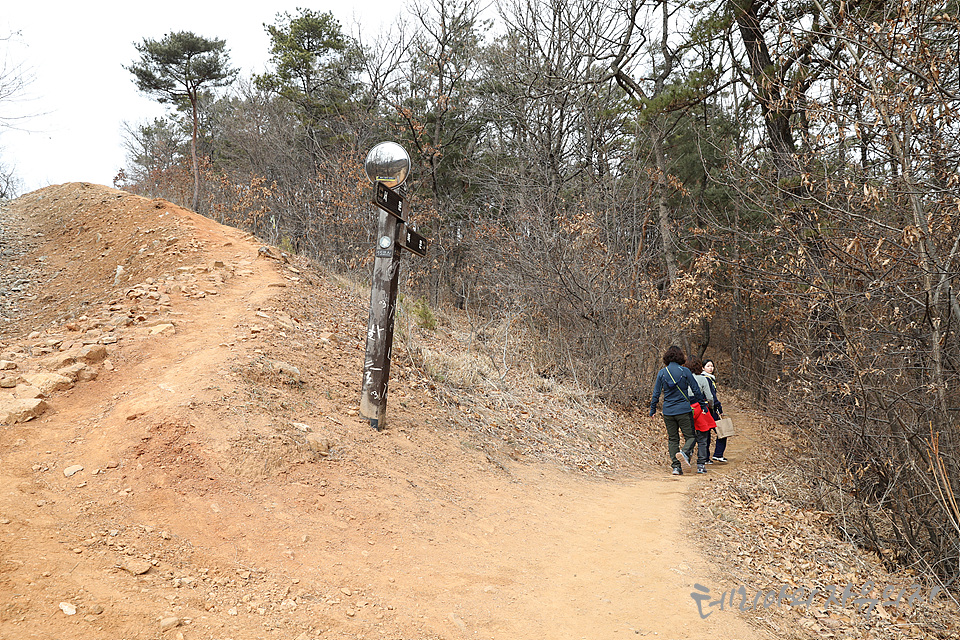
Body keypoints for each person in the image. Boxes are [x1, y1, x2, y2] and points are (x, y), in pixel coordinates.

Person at [649, 345, 707, 475]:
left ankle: (676, 467)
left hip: (668, 411)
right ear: (680, 356)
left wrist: (652, 409)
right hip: (683, 410)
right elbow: (696, 390)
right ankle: (684, 452)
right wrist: (703, 405)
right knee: (691, 437)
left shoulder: (662, 373)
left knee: (673, 439)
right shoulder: (685, 371)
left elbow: (656, 393)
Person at [686, 356, 718, 474]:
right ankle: (701, 465)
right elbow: (709, 397)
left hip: (687, 410)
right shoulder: (702, 379)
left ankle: (686, 459)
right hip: (700, 410)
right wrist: (711, 407)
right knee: (703, 439)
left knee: (689, 437)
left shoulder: (683, 378)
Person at [703, 359, 728, 462]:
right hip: (709, 409)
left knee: (707, 434)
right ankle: (717, 454)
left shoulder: (710, 379)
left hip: (706, 409)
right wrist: (719, 407)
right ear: (703, 368)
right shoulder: (707, 379)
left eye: (712, 366)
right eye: (708, 366)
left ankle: (707, 457)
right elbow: (711, 396)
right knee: (722, 431)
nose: (711, 368)